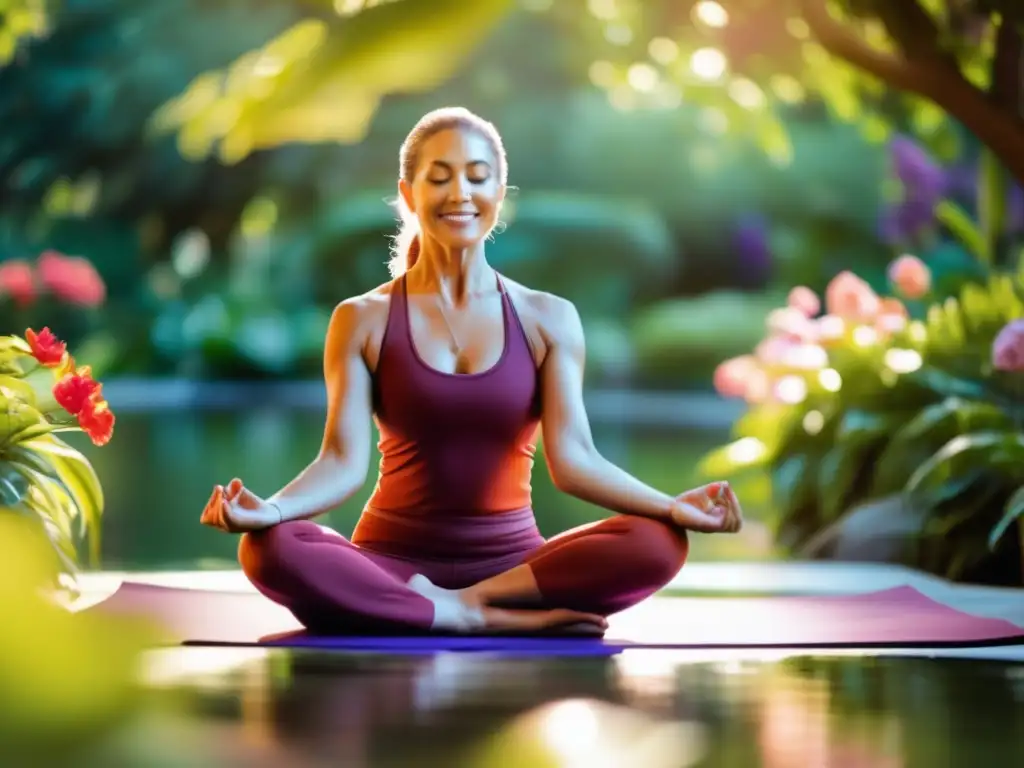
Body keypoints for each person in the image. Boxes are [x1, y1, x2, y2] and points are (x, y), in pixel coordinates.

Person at [200, 107, 743, 635]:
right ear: (409, 195)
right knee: (270, 548)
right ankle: (466, 617)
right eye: (439, 178)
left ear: (498, 198)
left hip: (515, 571)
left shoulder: (547, 318)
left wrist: (672, 506)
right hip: (391, 564)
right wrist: (270, 511)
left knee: (660, 541)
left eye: (477, 178)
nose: (460, 193)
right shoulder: (362, 319)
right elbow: (342, 462)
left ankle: (464, 604)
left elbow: (575, 461)